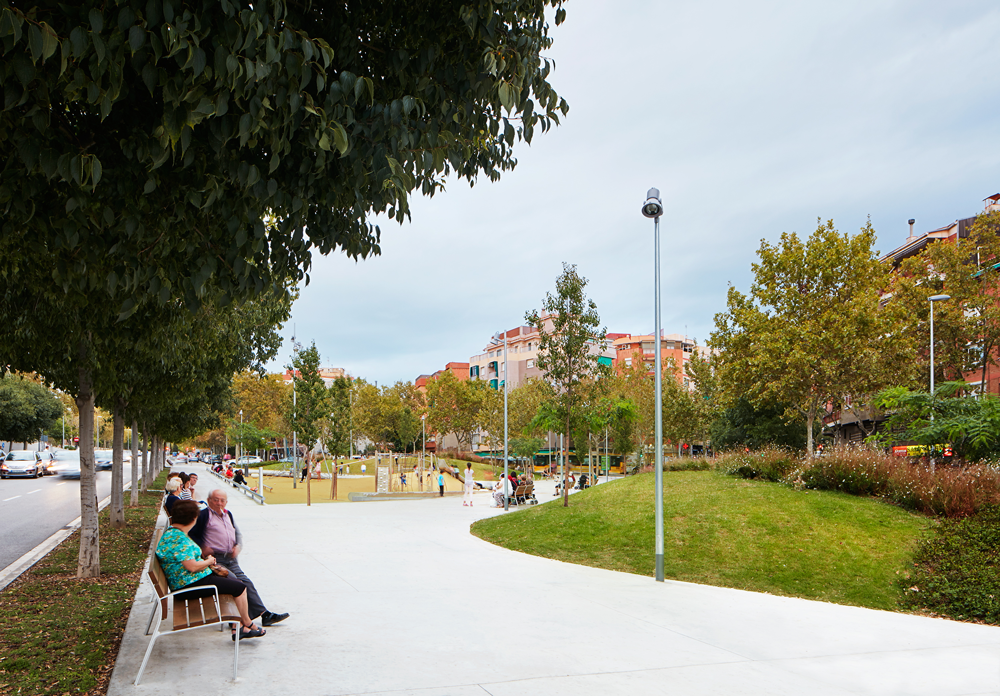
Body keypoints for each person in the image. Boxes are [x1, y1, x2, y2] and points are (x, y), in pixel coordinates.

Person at [155, 500, 264, 640]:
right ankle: (247, 624)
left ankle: (239, 626)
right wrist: (209, 561)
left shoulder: (172, 533)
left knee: (232, 579)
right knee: (240, 587)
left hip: (185, 581)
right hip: (189, 585)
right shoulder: (179, 539)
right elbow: (192, 566)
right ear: (193, 519)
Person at [188, 489, 289, 628]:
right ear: (209, 500)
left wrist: (237, 546)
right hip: (215, 561)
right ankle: (236, 620)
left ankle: (265, 614)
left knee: (247, 582)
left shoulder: (228, 514)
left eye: (222, 500)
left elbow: (237, 534)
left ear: (226, 502)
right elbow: (191, 535)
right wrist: (203, 547)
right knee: (235, 583)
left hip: (230, 559)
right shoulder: (203, 515)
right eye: (216, 500)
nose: (219, 503)